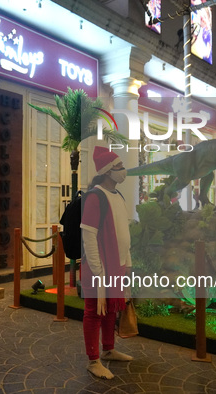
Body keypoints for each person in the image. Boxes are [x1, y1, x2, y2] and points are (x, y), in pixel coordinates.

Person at [80, 146, 133, 379]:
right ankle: (93, 361)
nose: (123, 171)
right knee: (94, 311)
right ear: (108, 171)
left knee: (112, 307)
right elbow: (89, 234)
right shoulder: (95, 196)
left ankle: (109, 349)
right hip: (99, 268)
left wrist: (127, 263)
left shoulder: (118, 196)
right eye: (120, 167)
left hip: (117, 265)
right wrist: (97, 270)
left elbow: (124, 232)